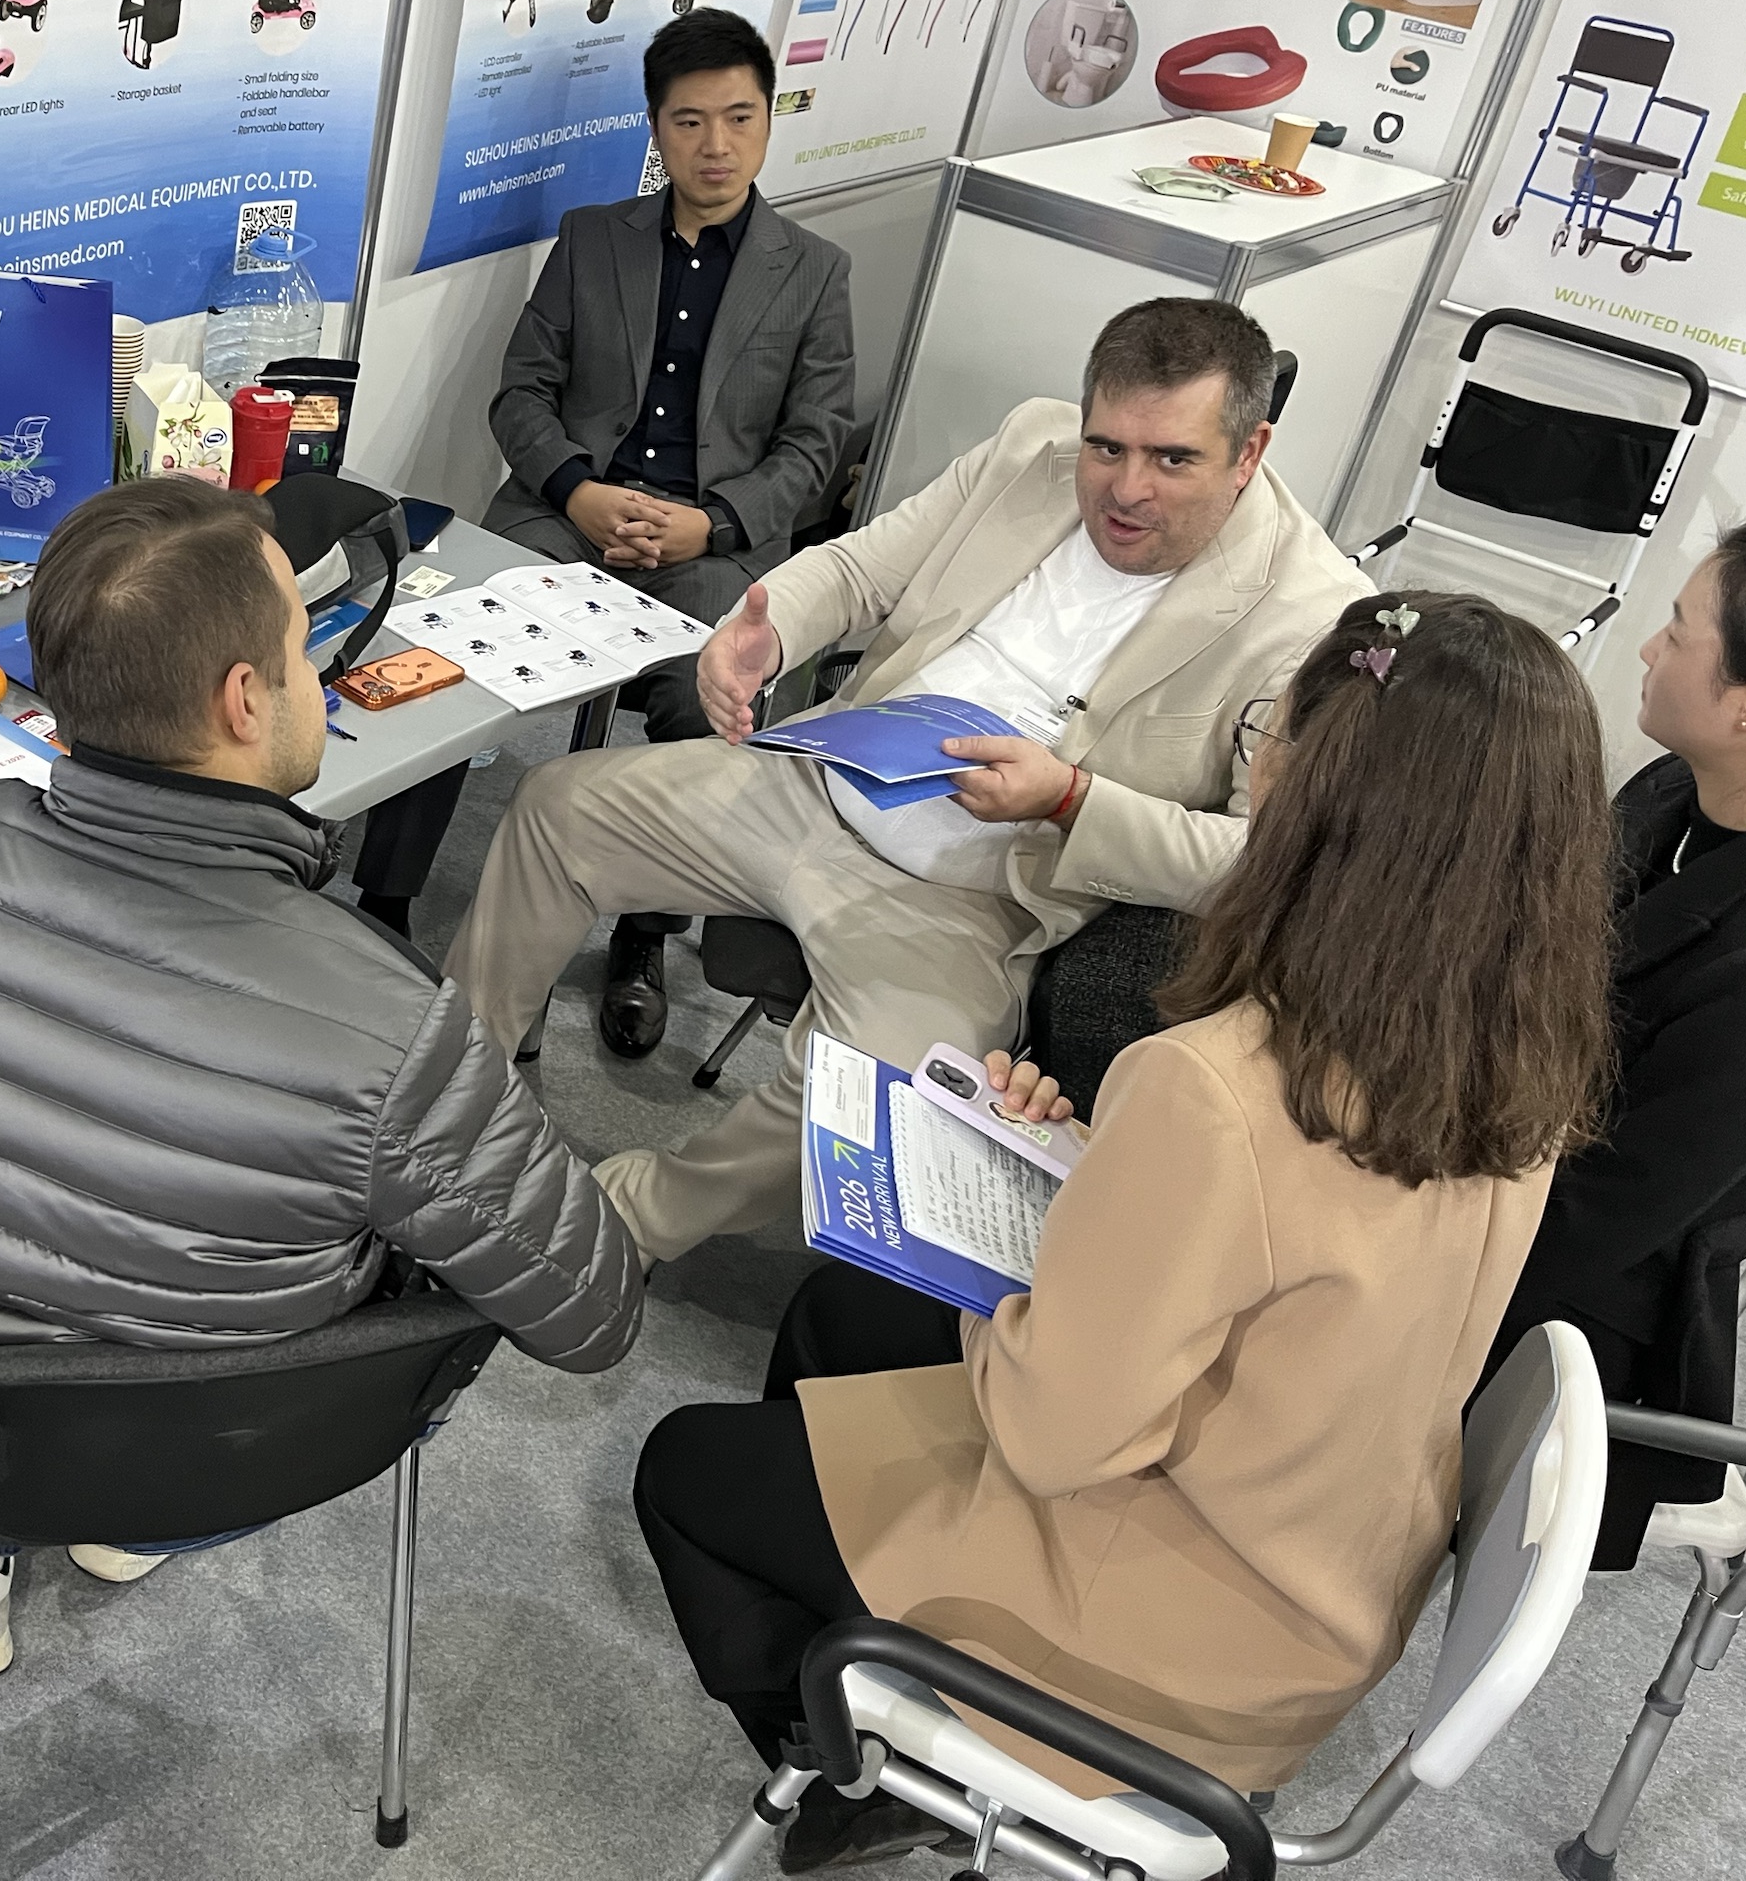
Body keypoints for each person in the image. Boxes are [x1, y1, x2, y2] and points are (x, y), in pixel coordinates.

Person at [634, 593, 1614, 1869]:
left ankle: (876, 1761)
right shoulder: (1520, 1064)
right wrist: (1086, 1172)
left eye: (1269, 733)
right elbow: (1293, 1255)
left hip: (1162, 1627)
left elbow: (1056, 1437)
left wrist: (1027, 1246)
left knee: (686, 1472)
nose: (1255, 766)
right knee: (841, 1315)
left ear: (1308, 790)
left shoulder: (1220, 1082)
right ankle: (873, 1694)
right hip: (1318, 1572)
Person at [0, 477, 642, 1682]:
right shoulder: (395, 1029)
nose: (318, 672)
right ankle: (137, 1520)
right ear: (244, 701)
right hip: (231, 1452)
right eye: (302, 647)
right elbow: (593, 1314)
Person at [449, 298, 1370, 1265]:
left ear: (1249, 451)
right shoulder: (1033, 444)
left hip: (977, 895)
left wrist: (1071, 799)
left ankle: (624, 1222)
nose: (1125, 489)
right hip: (820, 782)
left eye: (1173, 459)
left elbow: (1259, 859)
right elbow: (862, 570)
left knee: (874, 1089)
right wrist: (768, 630)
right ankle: (451, 1107)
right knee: (556, 809)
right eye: (1107, 447)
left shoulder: (1312, 613)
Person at [351, 6, 856, 958]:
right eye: (690, 121)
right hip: (565, 515)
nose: (716, 145)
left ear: (768, 118)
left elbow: (815, 443)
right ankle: (386, 899)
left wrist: (713, 524)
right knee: (445, 641)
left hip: (711, 547)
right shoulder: (592, 239)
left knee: (712, 700)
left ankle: (645, 936)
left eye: (739, 118)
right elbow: (521, 394)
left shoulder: (815, 272)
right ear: (656, 128)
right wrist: (579, 490)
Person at [1490, 516, 1746, 1567]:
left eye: (1677, 630)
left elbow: (1592, 1224)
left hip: (1577, 1307)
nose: (1647, 648)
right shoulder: (1677, 787)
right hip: (1501, 1166)